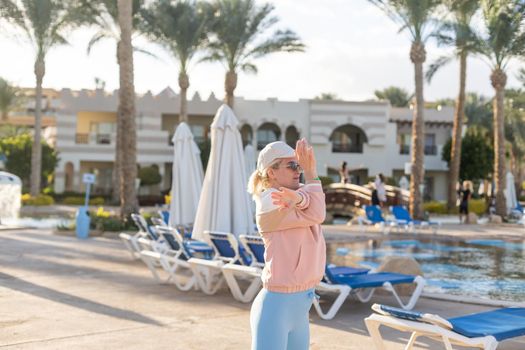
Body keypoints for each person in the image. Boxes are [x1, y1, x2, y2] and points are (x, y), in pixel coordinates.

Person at [247, 139, 326, 350]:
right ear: (271, 172)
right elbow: (318, 213)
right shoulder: (268, 202)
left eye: (299, 164)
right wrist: (311, 175)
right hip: (276, 308)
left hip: (301, 304)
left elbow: (312, 202)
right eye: (291, 165)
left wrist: (300, 198)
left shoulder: (300, 193)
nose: (298, 170)